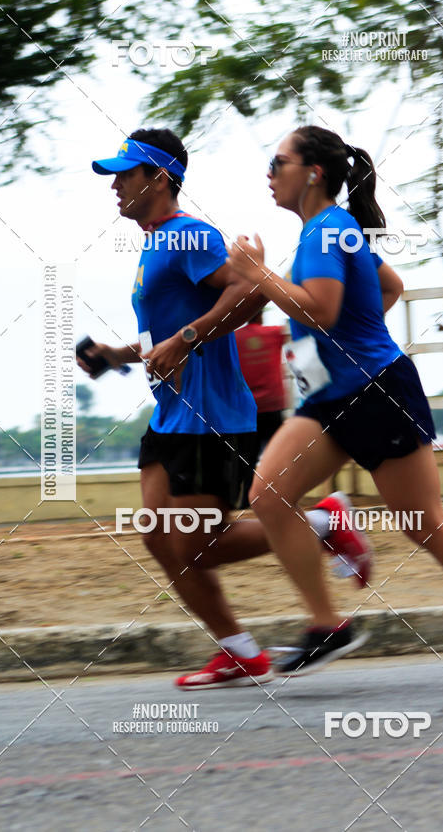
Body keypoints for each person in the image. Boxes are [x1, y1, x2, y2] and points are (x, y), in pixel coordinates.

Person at [227, 124, 443, 688]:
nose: (268, 174)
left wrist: (260, 276)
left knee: (422, 522)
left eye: (278, 163)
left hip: (377, 392)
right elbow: (390, 286)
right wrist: (353, 332)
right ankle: (326, 626)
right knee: (269, 496)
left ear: (313, 173)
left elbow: (321, 310)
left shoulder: (329, 230)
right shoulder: (329, 230)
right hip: (330, 397)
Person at [78, 127, 370, 690]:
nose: (115, 186)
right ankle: (239, 651)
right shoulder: (155, 243)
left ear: (159, 179)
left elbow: (250, 290)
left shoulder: (189, 235)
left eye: (125, 174)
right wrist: (116, 354)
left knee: (195, 545)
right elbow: (164, 335)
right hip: (171, 414)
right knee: (158, 537)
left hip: (211, 416)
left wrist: (187, 339)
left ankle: (323, 523)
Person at [235, 310, 287, 505]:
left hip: (246, 411)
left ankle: (246, 500)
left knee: (247, 458)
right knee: (281, 456)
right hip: (273, 406)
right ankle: (282, 496)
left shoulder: (235, 339)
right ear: (261, 315)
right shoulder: (274, 333)